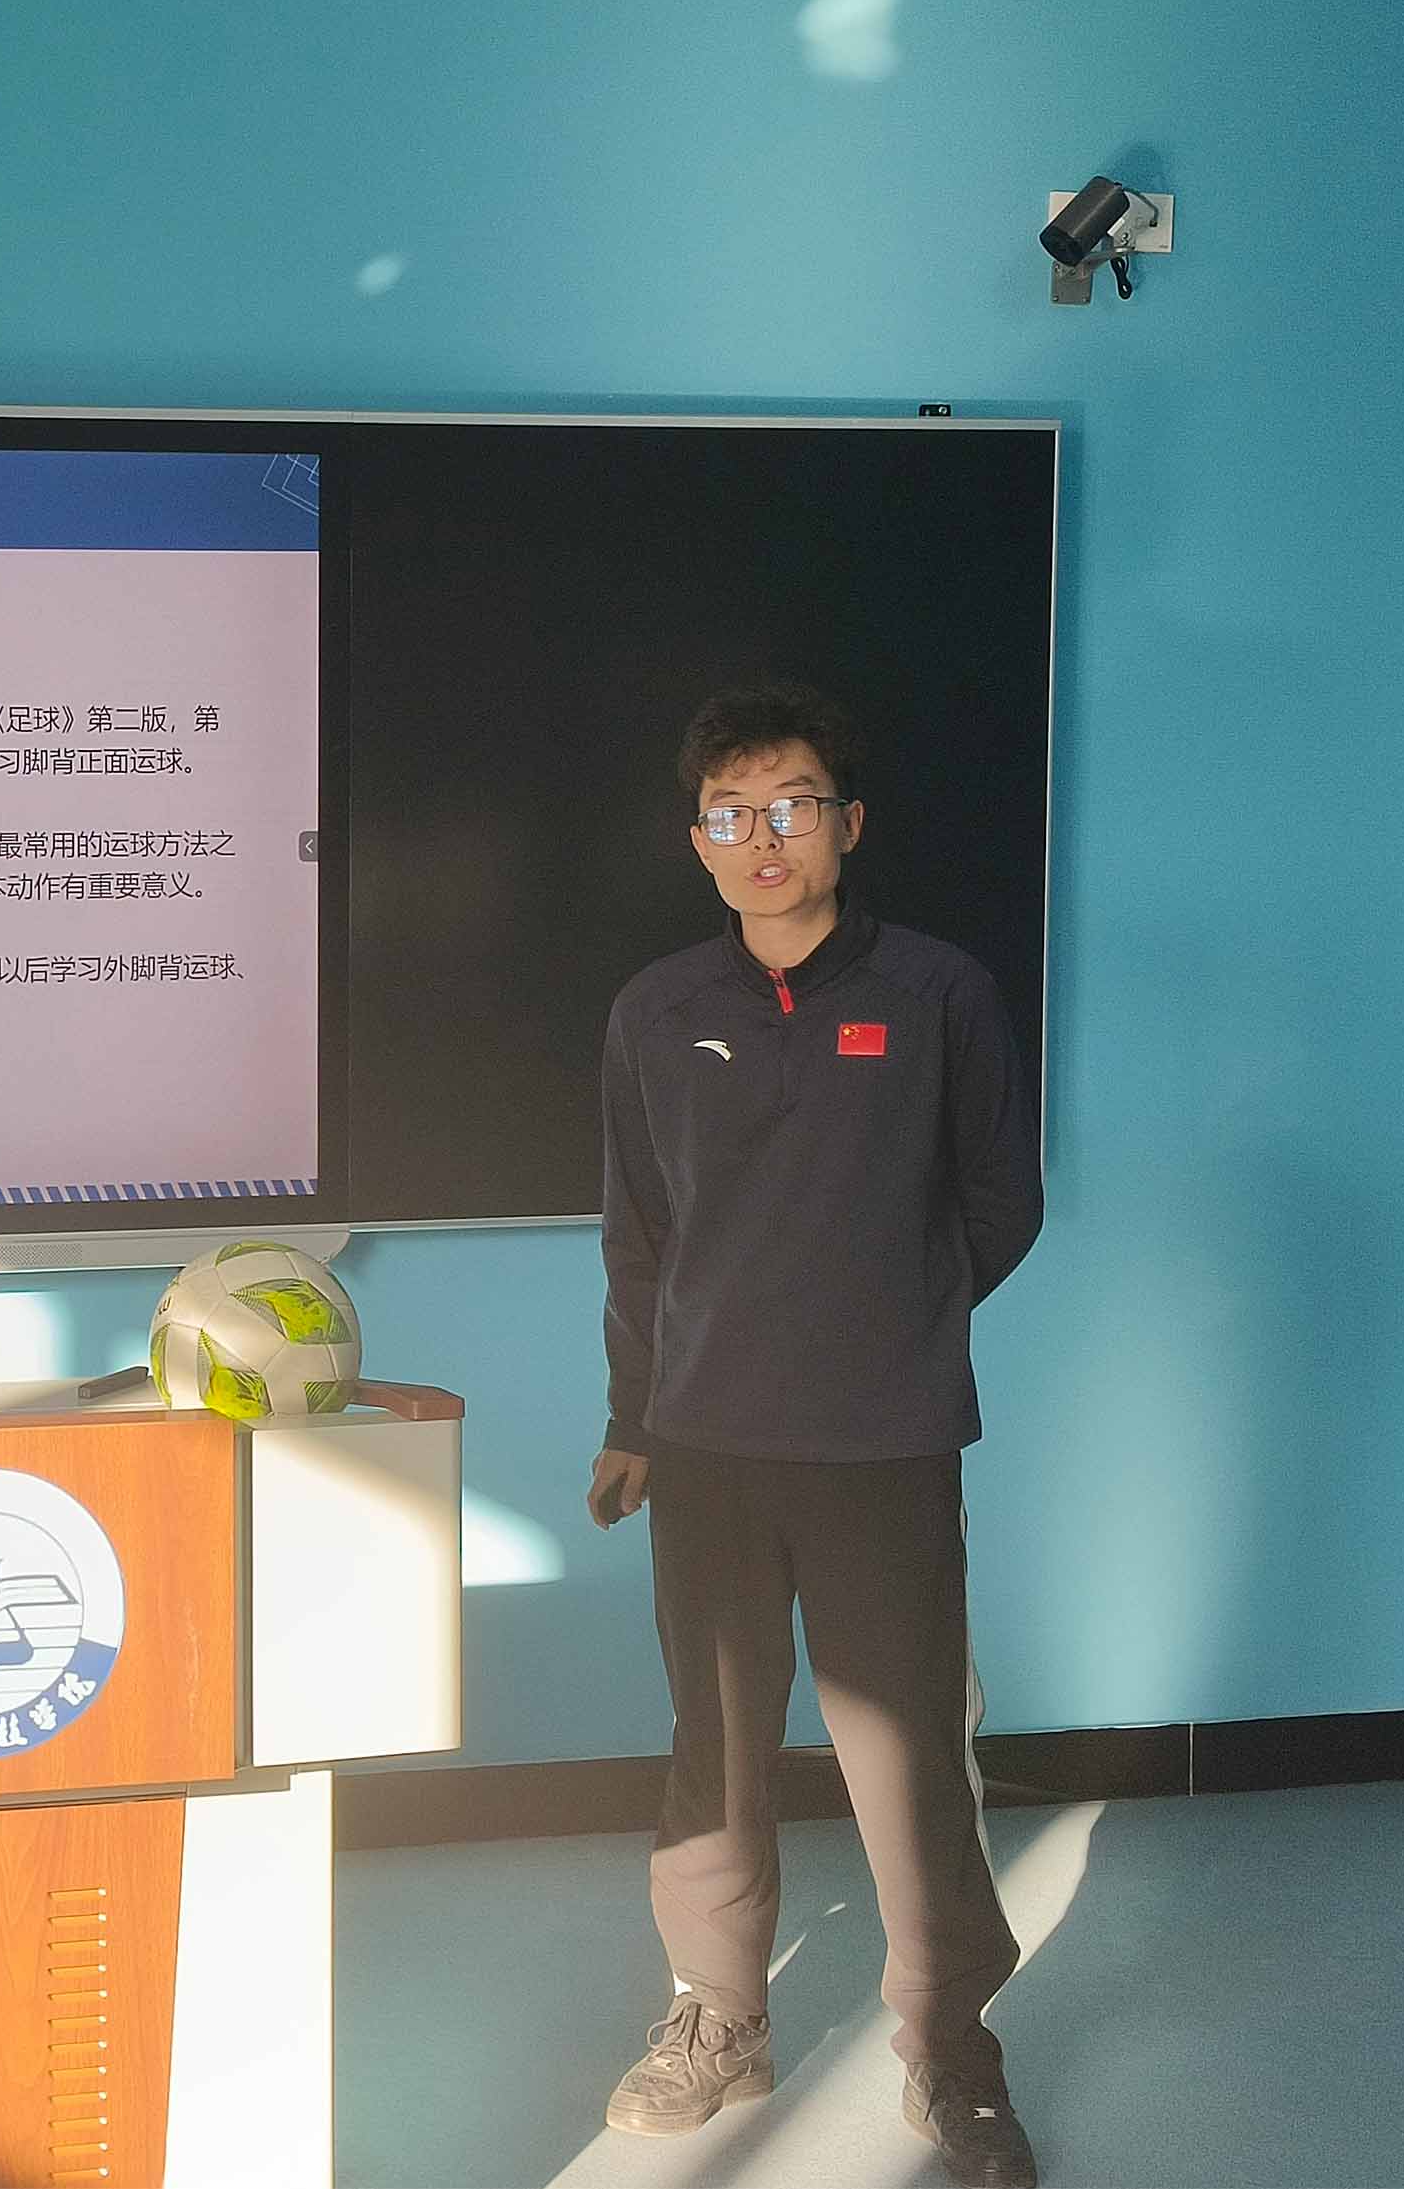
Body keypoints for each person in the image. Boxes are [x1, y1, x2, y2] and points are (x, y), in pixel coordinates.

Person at [590, 680, 1044, 2189]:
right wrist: (634, 1413)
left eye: (792, 804)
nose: (763, 835)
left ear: (848, 823)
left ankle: (951, 2044)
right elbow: (639, 1239)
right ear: (698, 842)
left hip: (884, 1442)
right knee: (715, 1745)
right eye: (731, 813)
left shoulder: (937, 992)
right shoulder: (657, 1011)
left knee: (907, 1757)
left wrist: (890, 1321)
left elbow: (1003, 1199)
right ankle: (720, 2016)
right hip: (708, 1447)